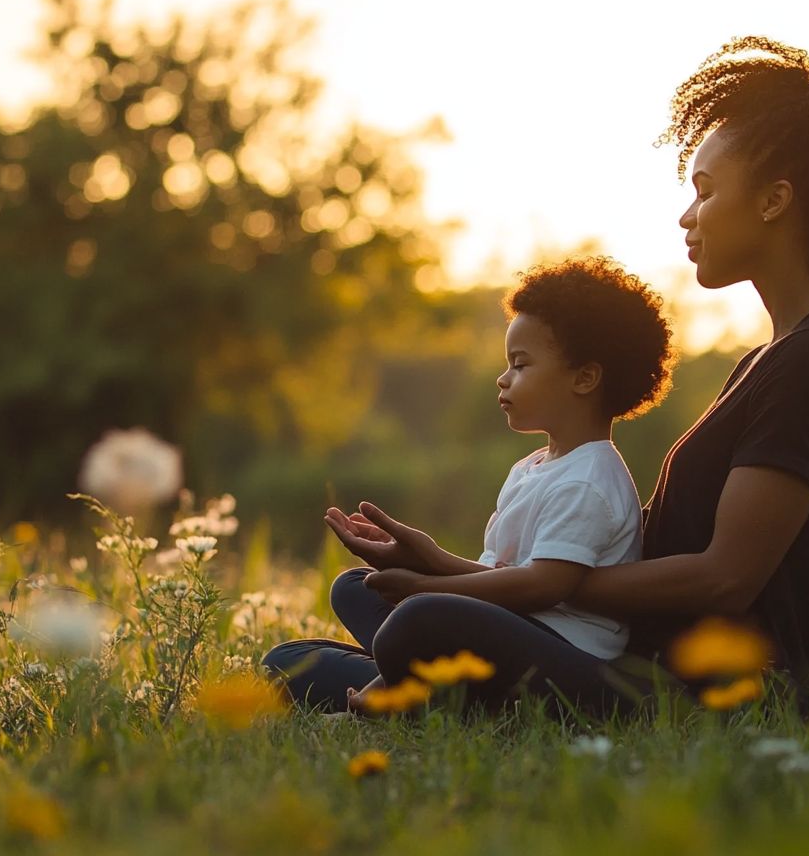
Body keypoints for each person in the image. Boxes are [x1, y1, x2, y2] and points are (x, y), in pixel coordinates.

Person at [265, 36, 809, 716]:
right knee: (360, 601)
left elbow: (725, 578)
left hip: (730, 697)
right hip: (642, 662)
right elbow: (590, 571)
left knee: (416, 626)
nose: (687, 216)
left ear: (774, 201)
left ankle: (420, 688)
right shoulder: (771, 360)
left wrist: (506, 591)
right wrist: (444, 565)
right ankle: (426, 687)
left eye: (706, 191)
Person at [262, 257, 673, 712]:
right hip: (501, 633)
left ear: (585, 377)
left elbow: (542, 588)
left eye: (520, 364)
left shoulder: (590, 480)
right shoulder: (534, 467)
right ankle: (431, 686)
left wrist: (424, 587)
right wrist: (427, 558)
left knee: (421, 615)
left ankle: (395, 695)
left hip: (560, 664)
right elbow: (504, 579)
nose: (503, 378)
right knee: (349, 594)